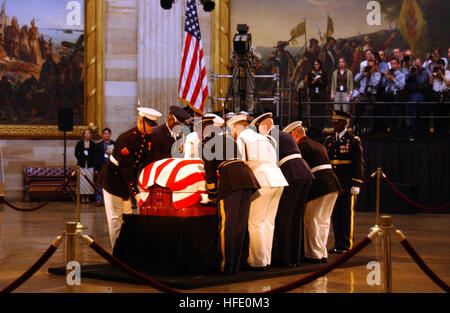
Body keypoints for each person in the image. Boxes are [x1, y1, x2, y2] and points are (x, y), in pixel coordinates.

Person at [251, 113, 314, 267]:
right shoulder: (285, 135)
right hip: (305, 172)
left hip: (291, 173)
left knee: (285, 218)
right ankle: (295, 257)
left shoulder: (269, 137)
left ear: (263, 126)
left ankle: (285, 259)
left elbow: (268, 160)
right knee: (296, 217)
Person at [200, 116, 260, 274]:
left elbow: (210, 171)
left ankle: (226, 265)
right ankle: (236, 263)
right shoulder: (227, 139)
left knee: (227, 226)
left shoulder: (206, 143)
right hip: (247, 179)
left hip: (231, 182)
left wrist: (212, 192)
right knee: (239, 225)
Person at [227, 114, 288, 270]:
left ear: (236, 127)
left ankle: (257, 261)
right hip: (277, 179)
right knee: (268, 222)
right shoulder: (264, 138)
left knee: (256, 222)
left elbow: (241, 164)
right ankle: (266, 259)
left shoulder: (242, 139)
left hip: (262, 180)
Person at [97, 107, 162, 248]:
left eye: (154, 125)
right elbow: (125, 168)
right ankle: (117, 252)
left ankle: (126, 250)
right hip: (113, 179)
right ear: (141, 121)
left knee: (127, 216)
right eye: (150, 124)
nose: (152, 127)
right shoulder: (127, 139)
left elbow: (147, 162)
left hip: (127, 179)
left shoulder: (148, 139)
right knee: (115, 218)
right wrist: (137, 193)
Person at [284, 121, 341, 263]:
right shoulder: (318, 144)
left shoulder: (301, 147)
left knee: (311, 219)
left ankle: (313, 254)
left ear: (294, 135)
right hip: (332, 184)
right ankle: (322, 251)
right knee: (324, 220)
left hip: (319, 186)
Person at [325, 111, 364, 254]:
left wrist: (356, 183)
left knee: (347, 215)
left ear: (345, 123)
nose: (335, 125)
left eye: (338, 122)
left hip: (347, 183)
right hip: (335, 184)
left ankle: (346, 245)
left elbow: (358, 164)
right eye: (334, 122)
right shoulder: (330, 140)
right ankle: (337, 244)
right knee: (336, 215)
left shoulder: (353, 140)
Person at [354, 59, 382, 132]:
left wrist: (370, 75)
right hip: (362, 94)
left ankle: (368, 130)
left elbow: (375, 84)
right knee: (357, 110)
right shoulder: (363, 73)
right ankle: (358, 128)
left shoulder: (377, 74)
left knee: (368, 114)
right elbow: (356, 79)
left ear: (375, 67)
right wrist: (362, 73)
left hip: (371, 95)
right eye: (369, 66)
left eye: (372, 66)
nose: (370, 68)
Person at [405, 58, 430, 137]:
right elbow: (405, 80)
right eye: (415, 66)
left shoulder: (425, 73)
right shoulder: (411, 73)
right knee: (411, 112)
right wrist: (410, 73)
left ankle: (418, 132)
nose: (416, 68)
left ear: (421, 65)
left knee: (418, 113)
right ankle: (413, 130)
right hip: (411, 95)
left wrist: (416, 74)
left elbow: (421, 82)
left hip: (420, 95)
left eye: (418, 66)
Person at [382, 57, 406, 132]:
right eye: (391, 64)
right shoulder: (388, 73)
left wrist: (393, 79)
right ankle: (386, 133)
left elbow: (401, 87)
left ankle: (394, 133)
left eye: (395, 64)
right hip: (387, 95)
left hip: (395, 96)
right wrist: (385, 76)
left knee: (394, 114)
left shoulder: (401, 75)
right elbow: (383, 84)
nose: (393, 65)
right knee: (385, 114)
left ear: (398, 65)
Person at [94, 128, 115, 206]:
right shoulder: (98, 145)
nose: (107, 135)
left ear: (110, 134)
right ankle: (99, 199)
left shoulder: (114, 144)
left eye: (108, 133)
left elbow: (117, 156)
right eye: (105, 133)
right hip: (101, 167)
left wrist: (111, 153)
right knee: (100, 183)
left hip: (111, 167)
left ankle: (111, 200)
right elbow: (95, 158)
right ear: (103, 135)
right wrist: (96, 169)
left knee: (111, 184)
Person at [428, 59, 450, 134]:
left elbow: (448, 83)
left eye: (441, 65)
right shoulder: (435, 73)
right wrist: (432, 73)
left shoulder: (447, 72)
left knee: (444, 114)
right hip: (436, 95)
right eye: (438, 65)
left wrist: (441, 75)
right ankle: (436, 131)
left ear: (444, 65)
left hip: (445, 94)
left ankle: (444, 131)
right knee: (436, 114)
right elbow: (430, 83)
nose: (440, 67)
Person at [74, 129, 96, 203]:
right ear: (83, 135)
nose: (87, 135)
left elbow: (95, 155)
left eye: (88, 133)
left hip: (90, 166)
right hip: (82, 165)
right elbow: (76, 153)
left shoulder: (93, 144)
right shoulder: (79, 143)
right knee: (82, 182)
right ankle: (83, 197)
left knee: (89, 182)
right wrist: (81, 159)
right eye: (85, 133)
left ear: (90, 135)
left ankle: (88, 197)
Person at [307, 59, 328, 134]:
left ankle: (320, 127)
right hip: (313, 94)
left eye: (317, 64)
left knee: (321, 110)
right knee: (313, 111)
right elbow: (309, 84)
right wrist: (314, 81)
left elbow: (325, 84)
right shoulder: (310, 73)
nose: (316, 66)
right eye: (315, 64)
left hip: (321, 94)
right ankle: (313, 127)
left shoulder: (324, 73)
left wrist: (320, 81)